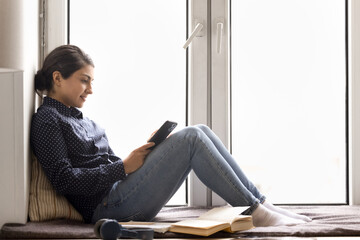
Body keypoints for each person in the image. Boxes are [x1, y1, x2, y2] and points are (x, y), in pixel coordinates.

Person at [30, 44, 311, 227]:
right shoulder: (47, 120)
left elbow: (110, 165)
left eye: (91, 81)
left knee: (200, 131)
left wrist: (148, 154)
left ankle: (259, 202)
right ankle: (255, 212)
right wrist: (122, 167)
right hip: (106, 208)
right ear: (57, 78)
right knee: (191, 138)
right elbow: (64, 179)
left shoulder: (80, 118)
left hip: (119, 193)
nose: (90, 89)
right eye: (84, 80)